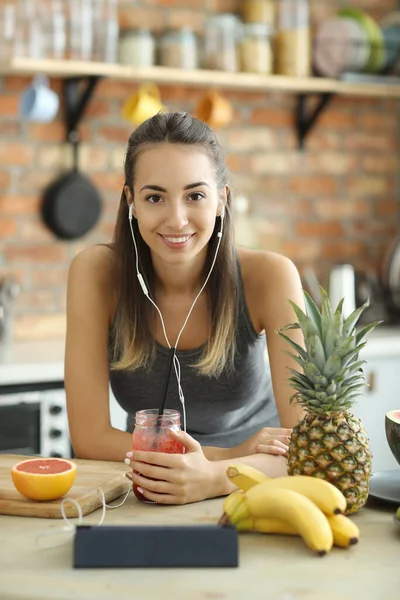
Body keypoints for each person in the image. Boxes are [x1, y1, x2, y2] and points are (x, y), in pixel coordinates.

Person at [65, 110, 305, 505]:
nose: (176, 220)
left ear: (221, 199)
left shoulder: (270, 276)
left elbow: (307, 444)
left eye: (195, 195)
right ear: (131, 202)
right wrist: (226, 458)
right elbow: (90, 439)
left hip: (260, 484)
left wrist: (217, 477)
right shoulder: (96, 273)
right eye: (155, 197)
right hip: (150, 483)